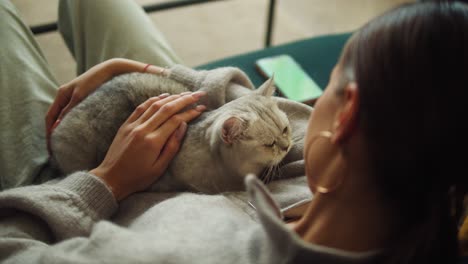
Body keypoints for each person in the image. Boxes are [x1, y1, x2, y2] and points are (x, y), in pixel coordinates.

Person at [0, 0, 466, 263]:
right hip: (188, 109)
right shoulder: (342, 167)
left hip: (70, 191)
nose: (312, 103)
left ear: (347, 115)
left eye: (330, 85)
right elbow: (244, 96)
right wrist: (133, 69)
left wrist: (104, 182)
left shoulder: (192, 250)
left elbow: (11, 248)